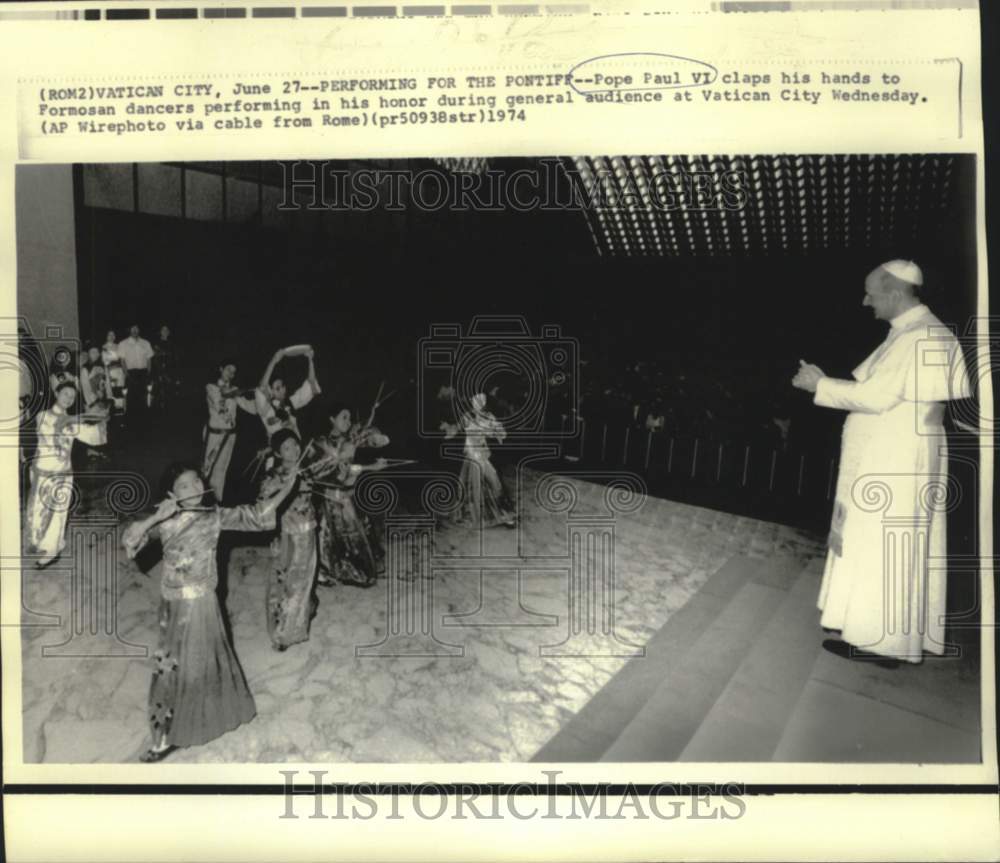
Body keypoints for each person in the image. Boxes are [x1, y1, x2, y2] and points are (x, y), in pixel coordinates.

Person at [793, 259, 971, 667]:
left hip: (894, 457)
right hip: (899, 452)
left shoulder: (918, 337)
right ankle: (875, 632)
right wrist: (827, 380)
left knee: (882, 544)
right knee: (884, 544)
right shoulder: (917, 332)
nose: (865, 301)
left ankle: (882, 642)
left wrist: (818, 385)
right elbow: (879, 387)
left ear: (893, 293)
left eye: (871, 294)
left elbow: (876, 398)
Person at [122, 461, 298, 762]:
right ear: (170, 493)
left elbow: (257, 516)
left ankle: (198, 721)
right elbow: (130, 543)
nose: (193, 488)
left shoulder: (214, 517)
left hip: (203, 601)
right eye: (183, 486)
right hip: (173, 602)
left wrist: (287, 487)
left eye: (196, 481)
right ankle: (166, 732)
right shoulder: (165, 520)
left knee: (202, 660)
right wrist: (154, 518)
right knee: (172, 664)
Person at [25, 381, 108, 567]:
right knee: (39, 511)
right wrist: (79, 418)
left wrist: (101, 419)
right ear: (57, 393)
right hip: (40, 472)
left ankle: (51, 551)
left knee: (57, 513)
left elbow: (95, 437)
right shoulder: (42, 416)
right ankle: (51, 543)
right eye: (65, 394)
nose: (69, 399)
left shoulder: (73, 423)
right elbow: (50, 430)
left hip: (62, 474)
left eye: (72, 396)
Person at [312, 404, 390, 588]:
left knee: (357, 534)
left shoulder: (348, 440)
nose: (348, 422)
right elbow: (341, 473)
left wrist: (375, 436)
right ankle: (329, 570)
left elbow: (379, 440)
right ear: (332, 419)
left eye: (349, 418)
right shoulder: (324, 443)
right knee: (337, 537)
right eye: (344, 417)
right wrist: (372, 467)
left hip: (346, 495)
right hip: (333, 499)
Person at [258, 429, 319, 651]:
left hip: (309, 531)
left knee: (304, 581)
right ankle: (282, 632)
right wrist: (287, 488)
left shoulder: (306, 470)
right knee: (288, 582)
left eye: (295, 445)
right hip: (288, 535)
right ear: (277, 452)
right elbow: (263, 504)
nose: (293, 450)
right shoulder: (273, 476)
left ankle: (296, 625)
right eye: (286, 448)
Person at [444, 392, 516, 528]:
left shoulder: (489, 417)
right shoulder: (467, 416)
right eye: (473, 401)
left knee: (494, 481)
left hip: (482, 454)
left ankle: (504, 515)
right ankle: (472, 515)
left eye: (479, 401)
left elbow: (501, 432)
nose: (475, 403)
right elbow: (457, 429)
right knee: (471, 484)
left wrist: (496, 432)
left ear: (483, 403)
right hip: (471, 454)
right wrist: (448, 429)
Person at [202, 359, 257, 504]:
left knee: (221, 472)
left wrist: (261, 397)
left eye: (233, 372)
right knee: (208, 470)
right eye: (228, 370)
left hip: (230, 437)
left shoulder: (234, 389)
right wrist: (245, 390)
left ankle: (216, 504)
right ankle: (201, 502)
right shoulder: (211, 387)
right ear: (220, 369)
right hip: (215, 435)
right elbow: (220, 404)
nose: (231, 374)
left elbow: (250, 407)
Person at [254, 345, 321, 439]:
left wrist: (310, 360)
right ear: (271, 391)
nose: (282, 390)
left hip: (297, 447)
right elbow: (262, 386)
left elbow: (312, 386)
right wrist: (274, 361)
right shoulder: (265, 407)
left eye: (283, 386)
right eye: (277, 388)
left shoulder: (291, 402)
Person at [118, 323, 154, 431]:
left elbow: (149, 359)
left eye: (136, 328)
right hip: (131, 374)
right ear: (129, 330)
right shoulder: (123, 344)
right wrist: (127, 375)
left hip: (143, 373)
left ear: (139, 330)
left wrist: (148, 373)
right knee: (131, 399)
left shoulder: (146, 343)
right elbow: (122, 361)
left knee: (143, 398)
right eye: (132, 328)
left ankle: (144, 424)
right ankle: (131, 425)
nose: (135, 330)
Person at [150, 324, 179, 413]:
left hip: (170, 373)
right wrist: (157, 373)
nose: (165, 331)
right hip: (158, 372)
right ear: (160, 332)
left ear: (169, 332)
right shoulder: (155, 344)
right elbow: (153, 360)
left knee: (170, 394)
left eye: (167, 330)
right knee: (158, 395)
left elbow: (175, 361)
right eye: (163, 330)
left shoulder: (172, 344)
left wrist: (176, 376)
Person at [102, 330, 127, 423]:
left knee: (120, 391)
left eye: (113, 334)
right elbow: (104, 362)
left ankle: (121, 414)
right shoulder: (103, 347)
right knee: (111, 392)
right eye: (109, 334)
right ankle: (111, 415)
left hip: (119, 372)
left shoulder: (119, 347)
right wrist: (107, 374)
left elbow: (122, 360)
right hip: (109, 372)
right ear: (106, 336)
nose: (111, 336)